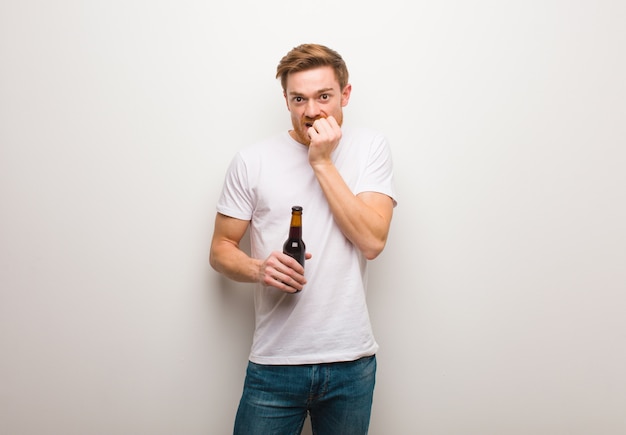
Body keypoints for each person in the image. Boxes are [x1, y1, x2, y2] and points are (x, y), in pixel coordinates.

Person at [209, 43, 397, 435]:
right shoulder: (252, 160)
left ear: (345, 94)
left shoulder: (369, 149)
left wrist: (321, 161)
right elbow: (221, 249)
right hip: (275, 364)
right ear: (286, 100)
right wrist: (258, 268)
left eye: (324, 96)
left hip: (351, 363)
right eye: (299, 99)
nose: (311, 111)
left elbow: (372, 242)